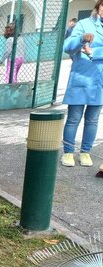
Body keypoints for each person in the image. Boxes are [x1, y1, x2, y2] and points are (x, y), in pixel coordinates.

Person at [60, 3, 103, 167]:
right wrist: (81, 39)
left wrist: (94, 52)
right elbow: (67, 47)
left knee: (93, 120)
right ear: (99, 6)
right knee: (74, 118)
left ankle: (85, 152)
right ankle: (68, 152)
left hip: (99, 80)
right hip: (81, 77)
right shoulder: (84, 24)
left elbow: (93, 52)